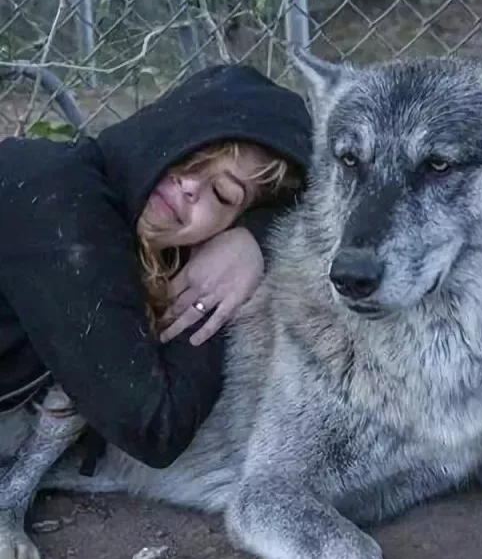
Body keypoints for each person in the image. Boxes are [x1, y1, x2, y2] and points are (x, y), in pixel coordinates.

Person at [0, 63, 312, 470]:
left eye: (221, 194)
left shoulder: (123, 233)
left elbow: (326, 206)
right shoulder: (59, 195)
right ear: (162, 128)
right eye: (194, 152)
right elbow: (153, 426)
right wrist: (259, 248)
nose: (190, 186)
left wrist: (255, 238)